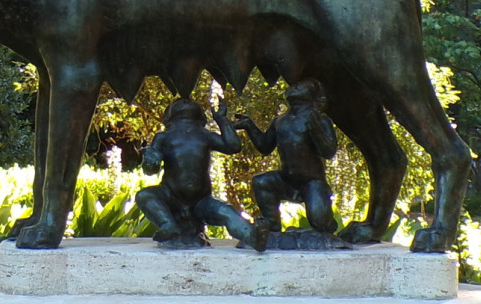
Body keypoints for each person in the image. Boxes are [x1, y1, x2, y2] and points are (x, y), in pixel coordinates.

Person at [135, 98, 263, 249]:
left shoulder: (205, 135)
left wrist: (222, 119)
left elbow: (233, 146)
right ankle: (167, 224)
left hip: (201, 202)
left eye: (190, 102)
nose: (185, 101)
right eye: (179, 103)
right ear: (169, 116)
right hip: (171, 197)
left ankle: (252, 237)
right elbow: (151, 170)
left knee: (227, 212)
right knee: (144, 195)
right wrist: (151, 161)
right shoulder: (163, 137)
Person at [234, 79, 339, 238]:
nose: (294, 86)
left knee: (320, 223)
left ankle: (325, 221)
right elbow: (265, 146)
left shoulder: (320, 120)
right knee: (261, 182)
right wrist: (249, 125)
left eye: (301, 85)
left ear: (312, 95)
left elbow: (329, 152)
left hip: (312, 182)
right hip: (286, 180)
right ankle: (272, 226)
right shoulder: (280, 121)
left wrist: (317, 131)